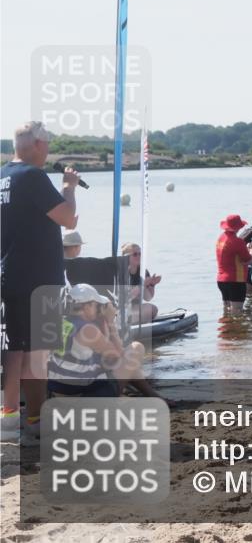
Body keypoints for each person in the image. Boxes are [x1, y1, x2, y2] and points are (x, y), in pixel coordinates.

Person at [0, 121, 79, 443]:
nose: (48, 149)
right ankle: (35, 420)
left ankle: (9, 418)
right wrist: (70, 187)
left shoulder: (4, 176)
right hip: (38, 276)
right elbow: (68, 218)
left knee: (13, 348)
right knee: (36, 352)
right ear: (35, 144)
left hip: (10, 272)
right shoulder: (33, 176)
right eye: (46, 143)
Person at [48, 283, 151, 399]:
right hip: (80, 396)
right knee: (136, 348)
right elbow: (118, 355)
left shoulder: (62, 322)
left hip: (60, 391)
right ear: (87, 306)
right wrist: (111, 321)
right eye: (96, 305)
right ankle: (150, 395)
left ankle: (152, 394)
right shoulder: (88, 330)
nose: (98, 309)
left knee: (112, 364)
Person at [216, 214, 252, 314]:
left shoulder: (221, 238)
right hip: (235, 280)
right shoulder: (237, 241)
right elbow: (249, 260)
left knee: (227, 309)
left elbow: (232, 255)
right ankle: (236, 329)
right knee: (237, 312)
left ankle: (226, 328)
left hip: (221, 280)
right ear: (238, 227)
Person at [121, 242, 161, 323]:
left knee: (153, 309)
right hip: (120, 310)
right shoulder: (121, 272)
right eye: (135, 254)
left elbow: (148, 298)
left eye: (140, 254)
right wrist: (142, 285)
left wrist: (152, 285)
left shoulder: (143, 271)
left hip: (135, 309)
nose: (138, 257)